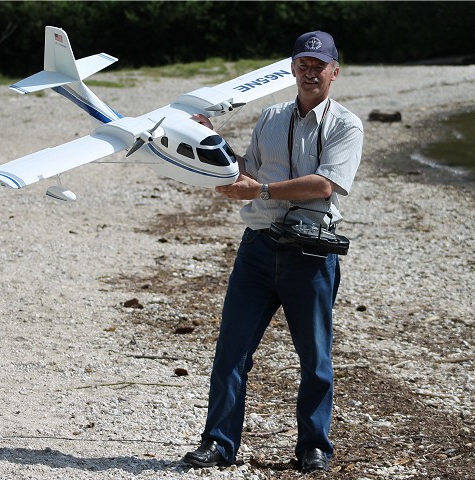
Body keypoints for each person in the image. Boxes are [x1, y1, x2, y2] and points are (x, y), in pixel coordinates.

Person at [183, 30, 363, 473]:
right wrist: (212, 142)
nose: (310, 71)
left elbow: (325, 183)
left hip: (312, 255)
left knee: (315, 358)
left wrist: (260, 188)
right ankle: (218, 444)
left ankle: (313, 447)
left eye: (319, 65)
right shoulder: (270, 116)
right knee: (231, 352)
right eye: (303, 63)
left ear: (334, 72)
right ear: (292, 68)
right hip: (258, 250)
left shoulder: (346, 124)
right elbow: (245, 169)